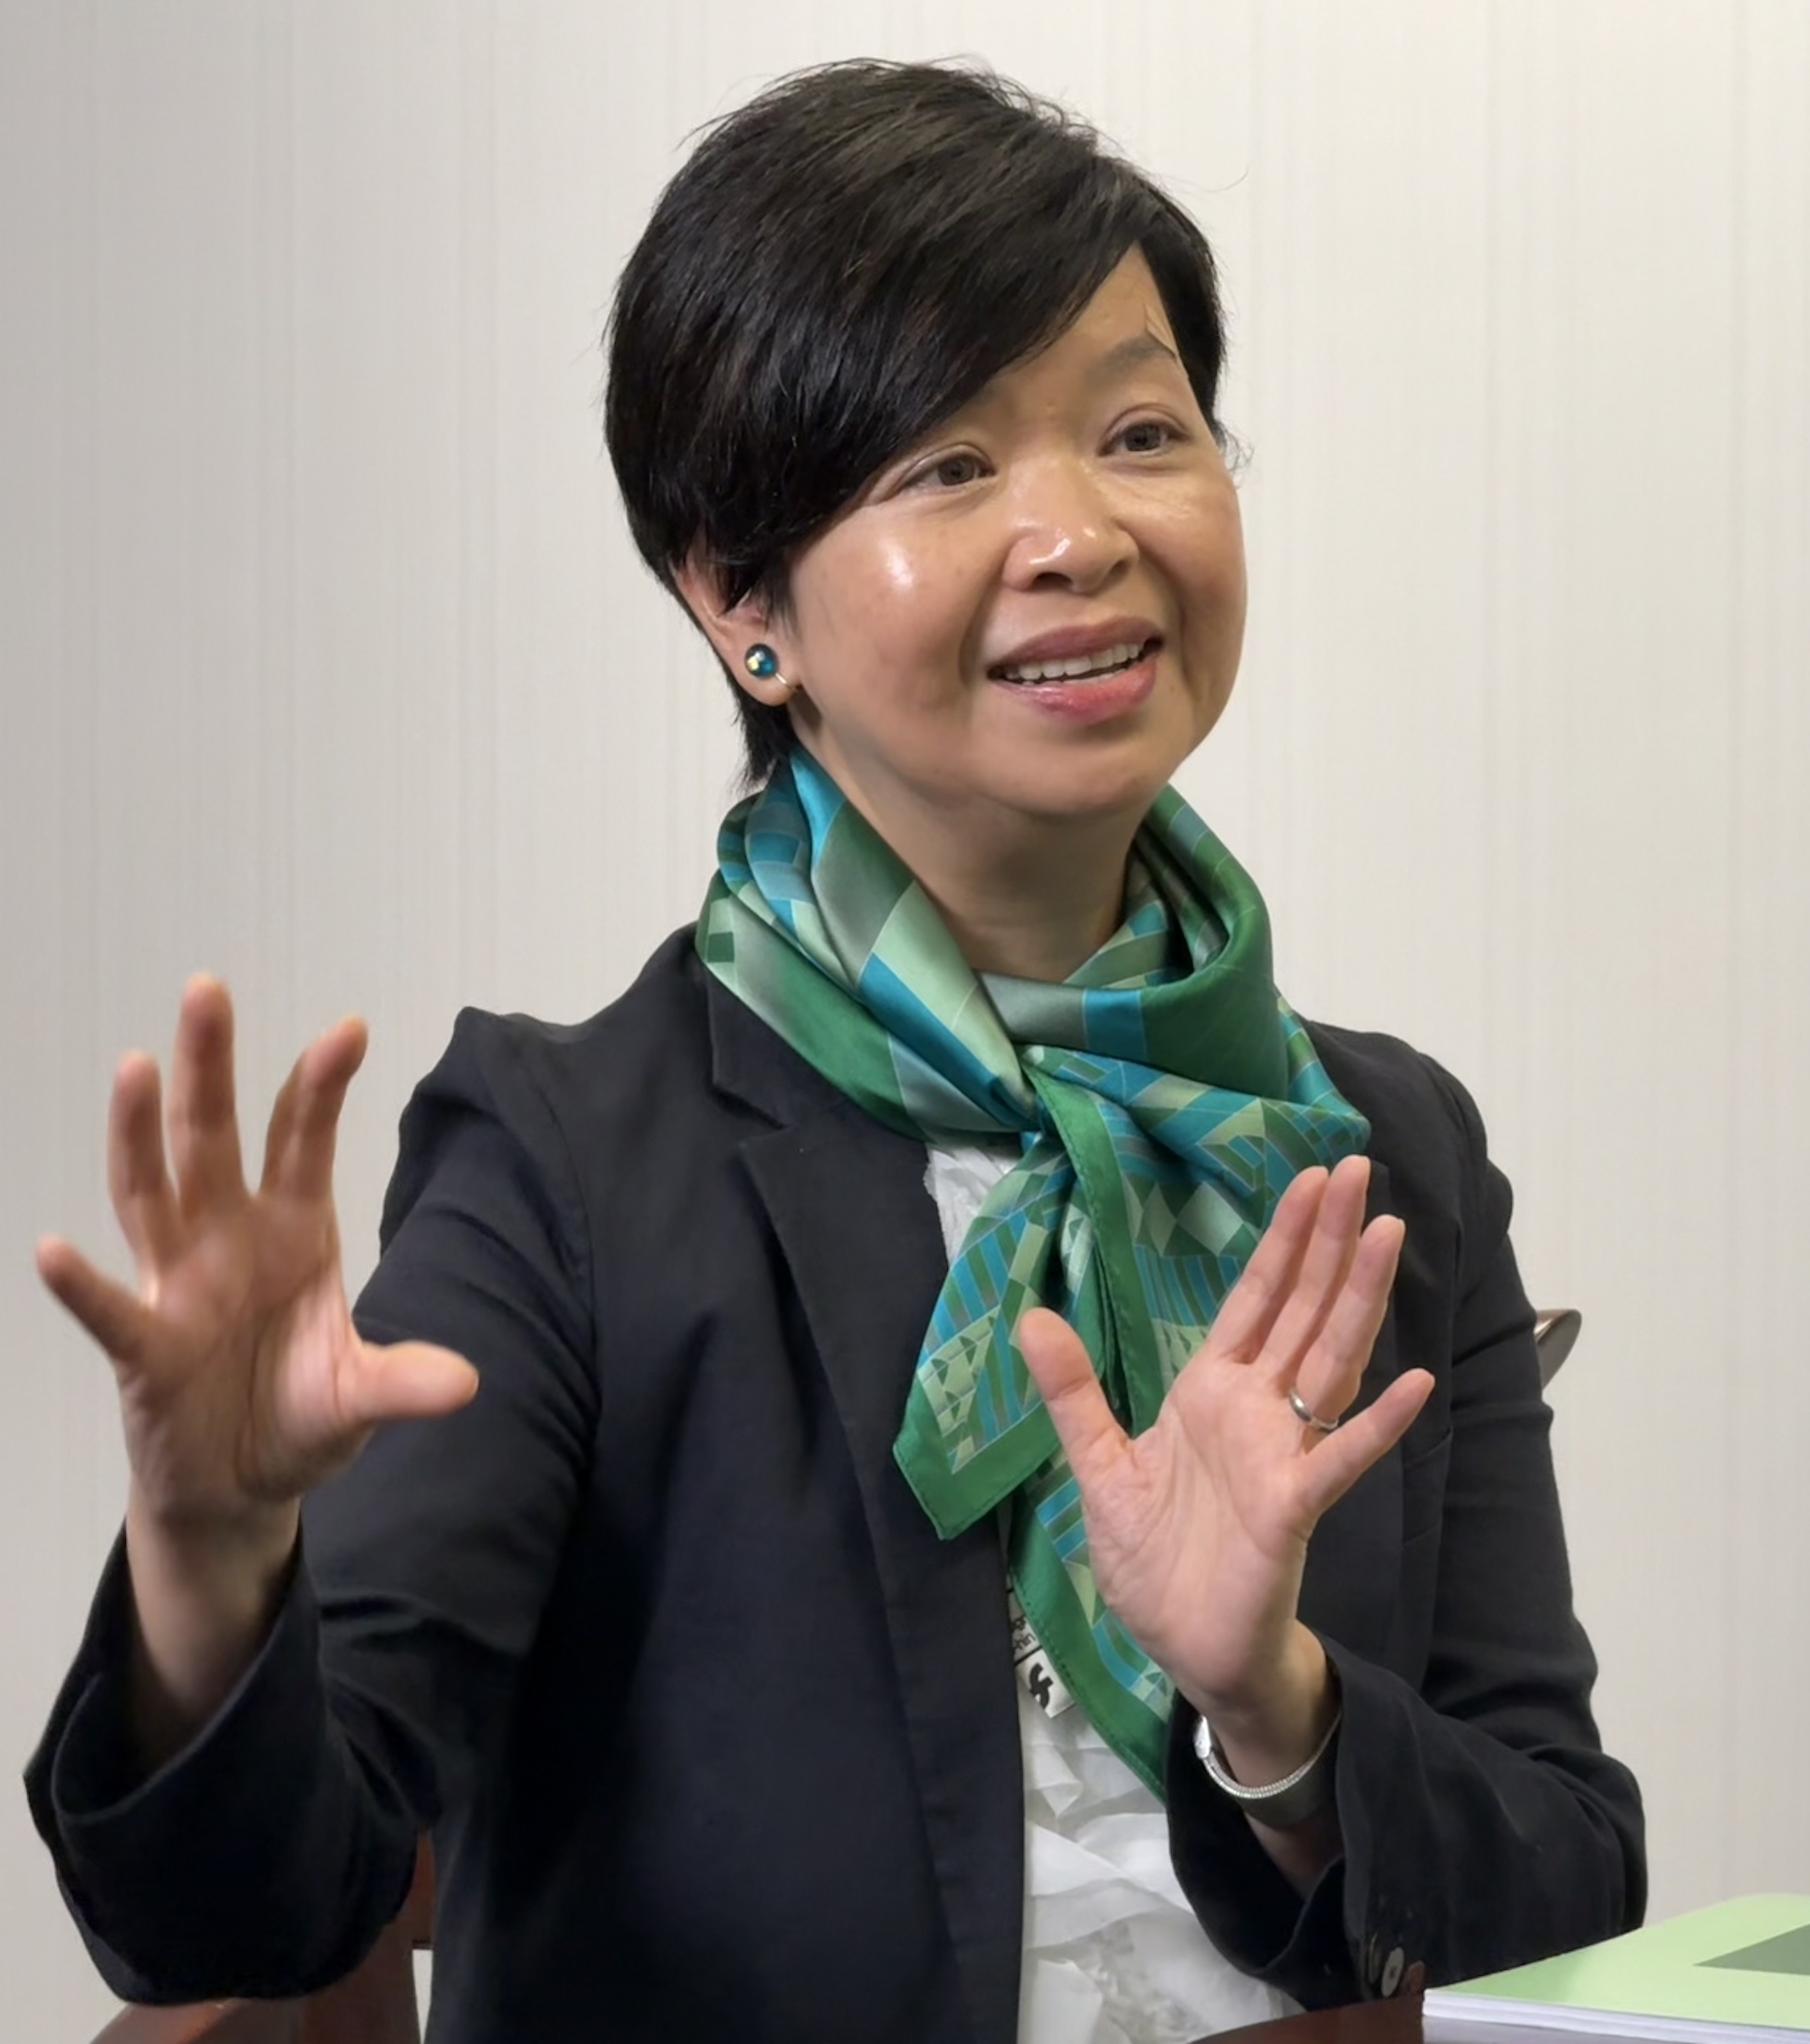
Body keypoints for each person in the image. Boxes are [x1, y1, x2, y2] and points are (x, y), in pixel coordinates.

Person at [21, 57, 1643, 2044]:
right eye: (946, 467)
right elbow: (264, 1907)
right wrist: (209, 1558)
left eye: (1142, 432)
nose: (1077, 534)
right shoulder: (574, 1160)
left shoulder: (1373, 1146)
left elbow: (1567, 1887)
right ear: (739, 600)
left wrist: (1276, 1706)